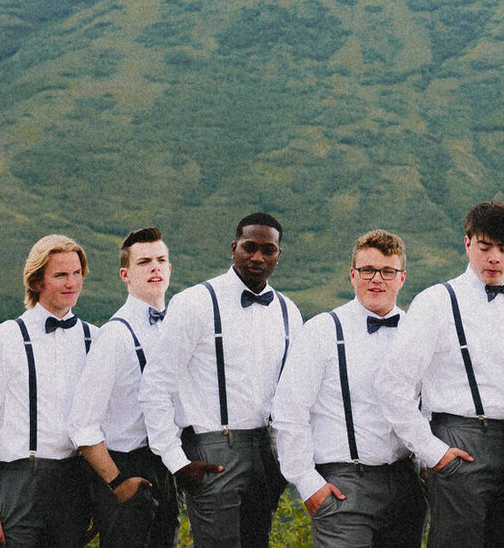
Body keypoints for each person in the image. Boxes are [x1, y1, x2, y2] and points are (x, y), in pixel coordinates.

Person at [375, 200, 504, 548]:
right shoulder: (436, 301)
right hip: (460, 439)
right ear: (468, 242)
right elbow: (392, 385)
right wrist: (431, 450)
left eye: (503, 249)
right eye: (485, 248)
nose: (494, 259)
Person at [143, 213, 303, 548]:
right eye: (249, 247)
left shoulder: (288, 311)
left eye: (267, 250)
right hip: (212, 447)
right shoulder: (194, 302)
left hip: (265, 450)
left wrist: (286, 454)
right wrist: (176, 460)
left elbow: (293, 393)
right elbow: (156, 385)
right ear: (234, 248)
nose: (257, 257)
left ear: (278, 255)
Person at [275, 231, 426, 548]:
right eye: (368, 270)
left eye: (387, 272)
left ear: (402, 278)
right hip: (343, 484)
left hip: (405, 483)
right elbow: (289, 410)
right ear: (353, 275)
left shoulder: (417, 331)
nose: (377, 280)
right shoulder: (322, 330)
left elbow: (429, 405)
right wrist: (306, 482)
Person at [0, 235, 98, 548]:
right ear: (37, 281)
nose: (72, 282)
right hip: (18, 480)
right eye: (60, 275)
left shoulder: (96, 339)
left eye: (77, 273)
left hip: (74, 482)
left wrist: (97, 495)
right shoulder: (3, 339)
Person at [71, 228, 179, 548]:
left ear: (170, 268)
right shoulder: (114, 336)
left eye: (161, 260)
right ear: (125, 274)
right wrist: (118, 482)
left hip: (166, 466)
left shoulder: (175, 327)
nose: (155, 267)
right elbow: (81, 424)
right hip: (127, 466)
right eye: (144, 261)